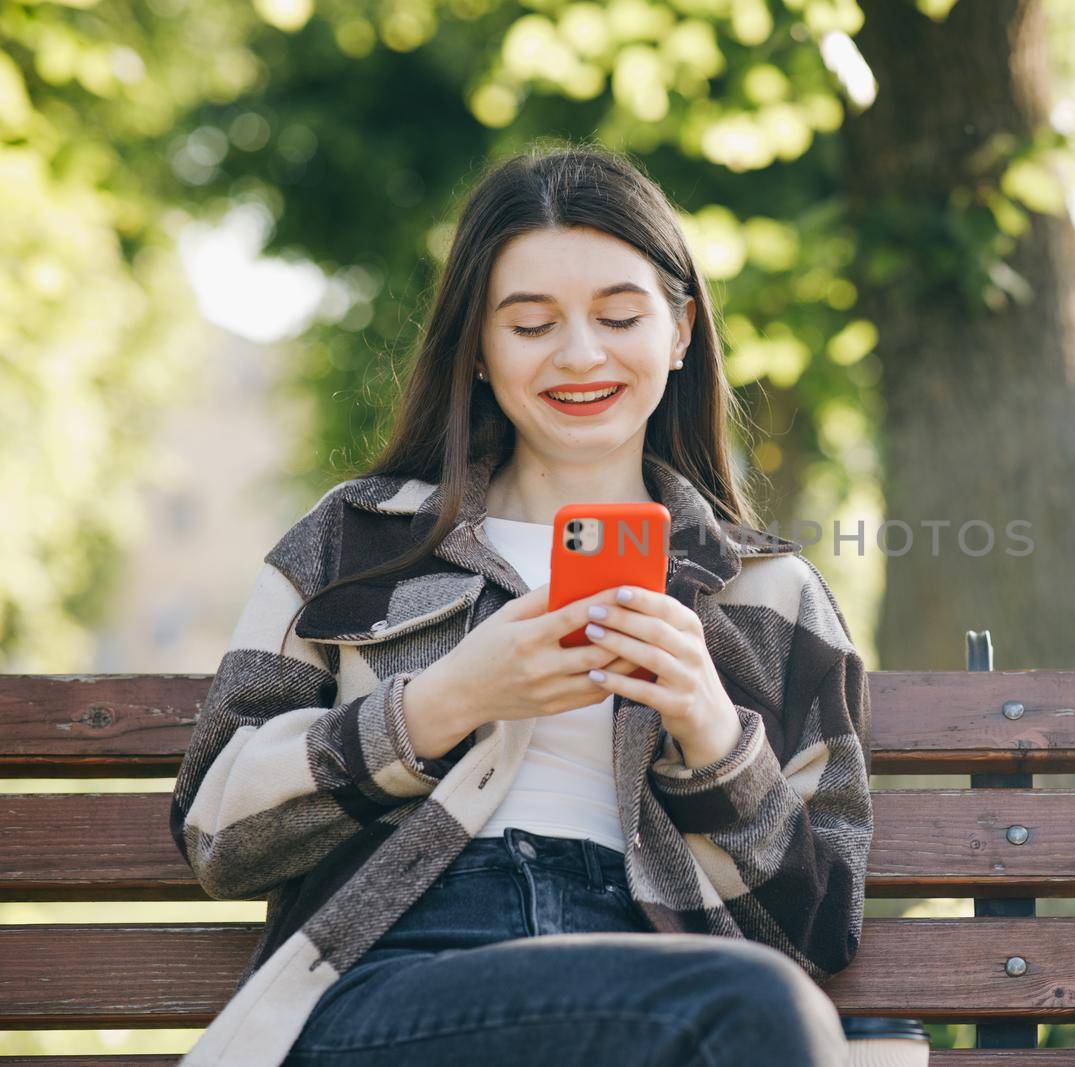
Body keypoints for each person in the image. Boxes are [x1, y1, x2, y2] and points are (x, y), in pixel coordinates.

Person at [168, 142, 873, 1067]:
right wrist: (444, 700)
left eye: (619, 315)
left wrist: (713, 732)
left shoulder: (770, 594)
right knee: (746, 1011)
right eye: (531, 324)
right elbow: (218, 828)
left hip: (659, 977)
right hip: (393, 984)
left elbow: (822, 927)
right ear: (478, 349)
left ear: (681, 330)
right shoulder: (356, 538)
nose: (580, 355)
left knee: (753, 1006)